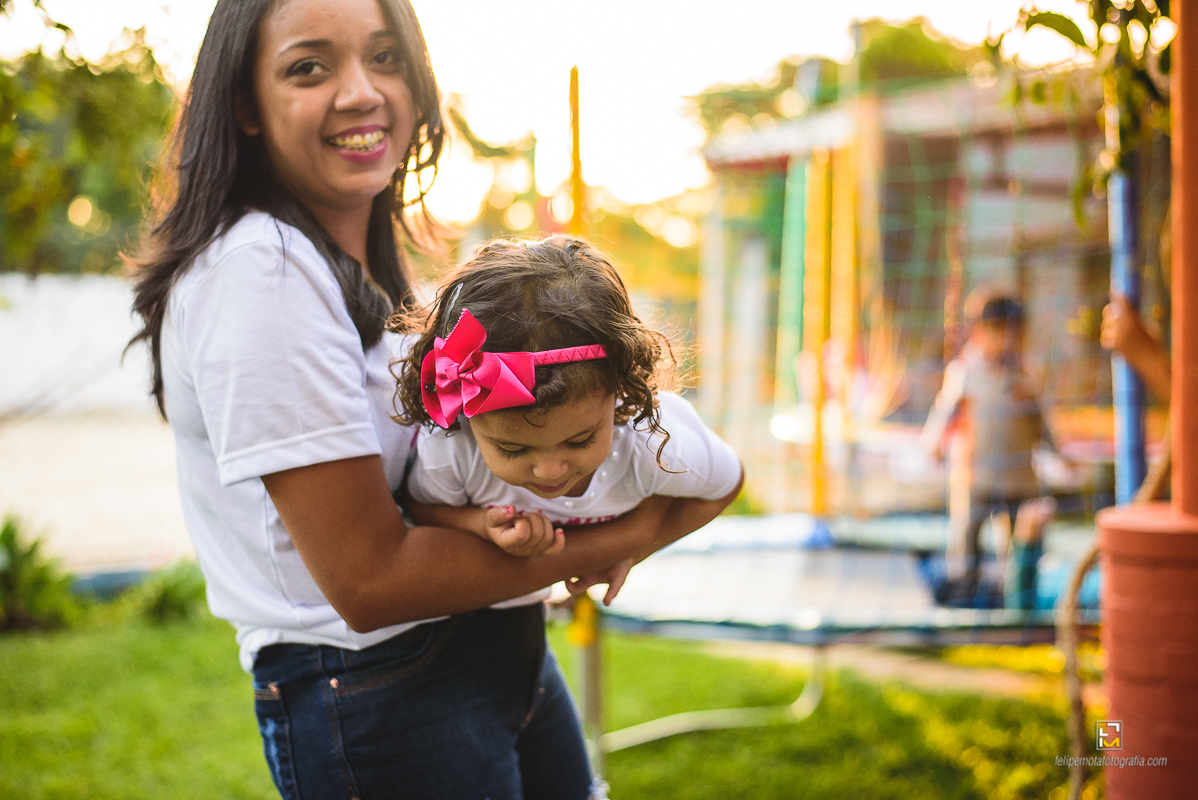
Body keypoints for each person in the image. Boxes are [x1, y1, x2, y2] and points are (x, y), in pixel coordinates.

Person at [127, 1, 725, 797]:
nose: (362, 92)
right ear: (243, 104)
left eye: (385, 58)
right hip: (382, 690)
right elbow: (369, 582)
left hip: (484, 646)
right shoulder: (260, 275)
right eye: (310, 67)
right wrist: (634, 532)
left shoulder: (356, 258)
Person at [393, 236, 744, 606]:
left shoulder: (653, 443)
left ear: (619, 388)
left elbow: (726, 482)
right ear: (466, 412)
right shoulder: (455, 448)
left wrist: (631, 551)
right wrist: (480, 525)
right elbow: (422, 507)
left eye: (579, 440)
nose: (549, 470)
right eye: (512, 448)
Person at [921, 294, 1062, 606]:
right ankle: (964, 594)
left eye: (1013, 333)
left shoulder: (1024, 375)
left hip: (1018, 477)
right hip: (977, 477)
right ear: (979, 333)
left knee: (1022, 542)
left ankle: (1019, 599)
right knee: (968, 537)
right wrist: (933, 445)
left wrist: (1059, 454)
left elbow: (1041, 423)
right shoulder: (966, 373)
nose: (1006, 341)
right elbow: (945, 412)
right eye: (999, 332)